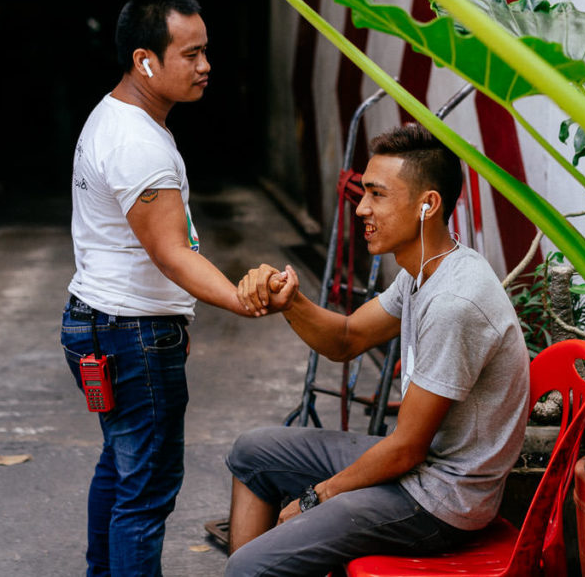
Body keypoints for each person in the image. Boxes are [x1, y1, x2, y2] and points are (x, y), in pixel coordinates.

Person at [225, 124, 531, 576]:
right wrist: (292, 301)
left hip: (441, 500)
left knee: (249, 568)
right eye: (364, 192)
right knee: (253, 452)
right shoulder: (425, 270)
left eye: (377, 195)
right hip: (417, 470)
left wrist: (318, 496)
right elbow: (347, 338)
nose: (361, 208)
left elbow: (405, 449)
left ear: (428, 205)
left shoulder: (455, 303)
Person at [60, 0, 264, 576]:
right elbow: (173, 254)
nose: (206, 67)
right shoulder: (136, 141)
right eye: (191, 54)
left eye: (206, 52)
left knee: (121, 467)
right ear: (145, 61)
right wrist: (239, 298)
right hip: (130, 334)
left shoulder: (119, 116)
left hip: (105, 322)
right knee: (145, 490)